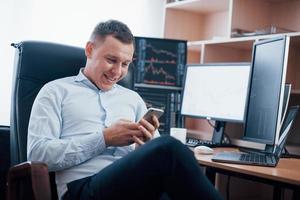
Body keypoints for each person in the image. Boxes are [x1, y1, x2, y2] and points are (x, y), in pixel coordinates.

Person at [27, 20, 222, 200]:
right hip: (82, 189)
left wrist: (143, 148)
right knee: (168, 148)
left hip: (134, 188)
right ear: (89, 49)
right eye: (111, 60)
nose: (118, 71)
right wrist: (104, 138)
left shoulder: (133, 99)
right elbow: (38, 154)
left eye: (125, 64)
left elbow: (152, 159)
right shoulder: (55, 92)